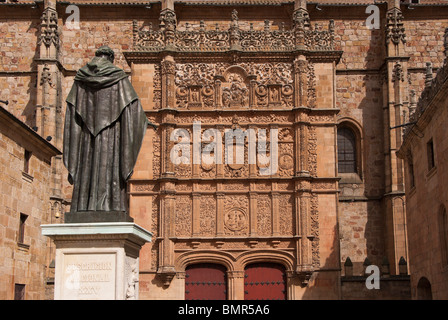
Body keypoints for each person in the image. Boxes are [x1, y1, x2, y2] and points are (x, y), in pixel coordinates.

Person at [63, 46, 156, 220]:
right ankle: (109, 204)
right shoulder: (118, 77)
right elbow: (132, 108)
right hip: (111, 137)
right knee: (110, 168)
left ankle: (83, 204)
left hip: (86, 137)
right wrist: (144, 121)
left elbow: (72, 109)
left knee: (87, 166)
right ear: (111, 58)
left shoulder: (81, 78)